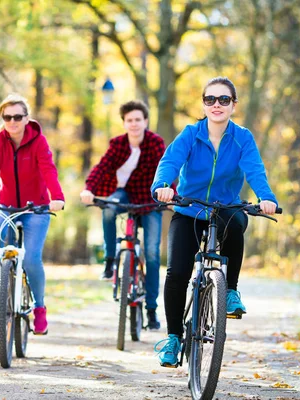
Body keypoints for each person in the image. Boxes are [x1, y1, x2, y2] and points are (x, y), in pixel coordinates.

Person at [151, 77, 278, 367]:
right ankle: (172, 339)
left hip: (226, 208)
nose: (217, 105)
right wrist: (162, 185)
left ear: (233, 105)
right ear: (203, 104)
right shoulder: (190, 134)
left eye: (224, 99)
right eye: (210, 99)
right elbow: (170, 162)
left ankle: (229, 290)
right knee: (177, 273)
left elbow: (255, 170)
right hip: (189, 210)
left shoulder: (242, 137)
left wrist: (266, 198)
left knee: (236, 223)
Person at [0, 93, 65, 336]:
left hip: (36, 207)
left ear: (27, 118)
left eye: (17, 116)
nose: (12, 121)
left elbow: (49, 169)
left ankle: (39, 308)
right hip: (6, 204)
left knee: (31, 259)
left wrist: (57, 197)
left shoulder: (39, 142)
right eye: (7, 117)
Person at [80, 100, 166, 330]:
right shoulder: (117, 144)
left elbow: (167, 170)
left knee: (151, 253)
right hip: (125, 194)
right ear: (124, 123)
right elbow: (102, 167)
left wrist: (169, 193)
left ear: (145, 121)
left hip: (150, 199)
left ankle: (151, 310)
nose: (134, 124)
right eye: (130, 120)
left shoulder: (156, 143)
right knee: (108, 210)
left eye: (138, 119)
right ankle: (110, 260)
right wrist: (89, 188)